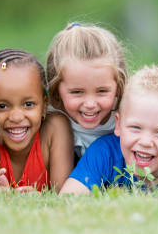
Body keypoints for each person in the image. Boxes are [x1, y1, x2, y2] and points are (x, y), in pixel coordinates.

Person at [59, 65, 158, 197]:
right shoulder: (105, 153)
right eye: (136, 128)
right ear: (119, 124)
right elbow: (69, 197)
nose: (145, 142)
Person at [0, 49, 73, 192]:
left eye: (28, 104)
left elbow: (63, 194)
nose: (16, 117)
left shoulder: (54, 129)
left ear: (44, 105)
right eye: (2, 106)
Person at [46, 22, 128, 159]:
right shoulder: (52, 120)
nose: (90, 104)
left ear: (118, 87)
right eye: (77, 92)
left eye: (102, 91)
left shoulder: (128, 117)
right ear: (57, 90)